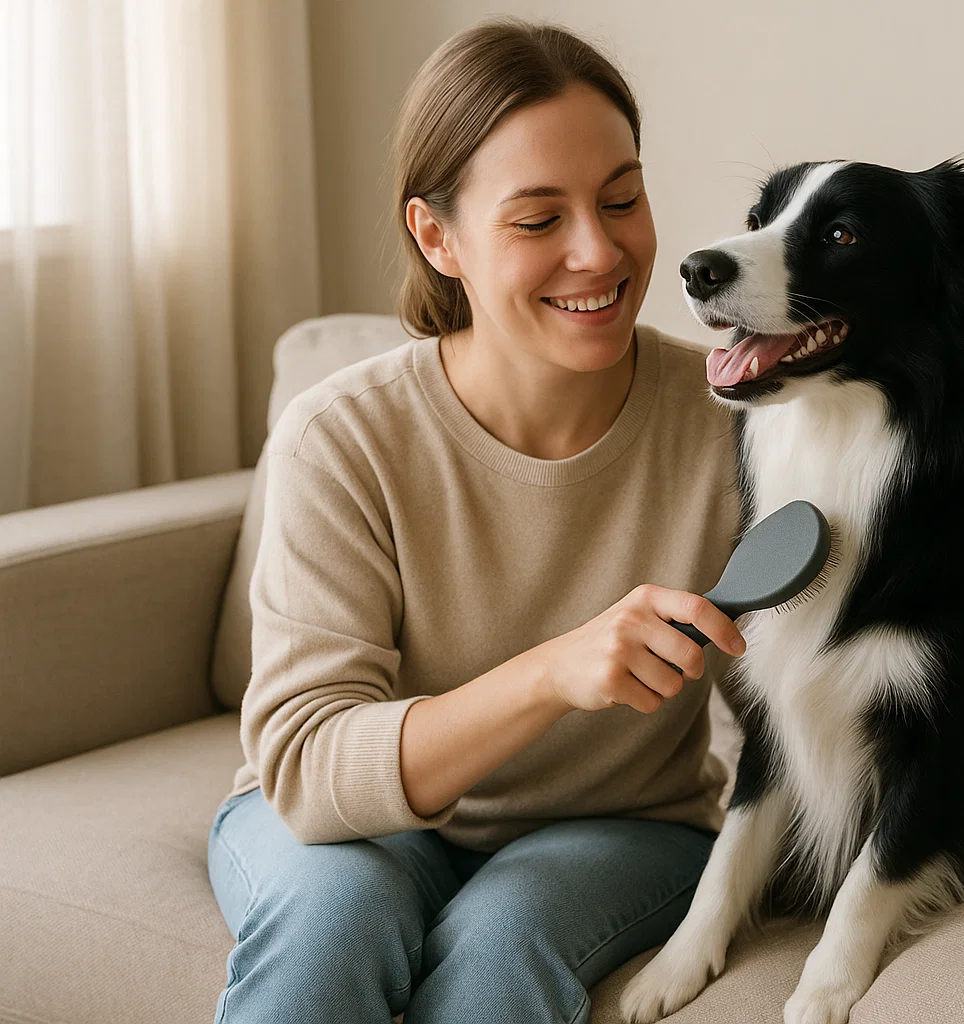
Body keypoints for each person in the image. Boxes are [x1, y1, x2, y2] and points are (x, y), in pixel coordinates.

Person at [205, 18, 745, 1023]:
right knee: (332, 924)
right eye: (538, 220)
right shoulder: (343, 438)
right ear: (436, 237)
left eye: (621, 199)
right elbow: (309, 770)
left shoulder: (734, 428)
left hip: (623, 825)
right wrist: (549, 674)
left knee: (498, 953)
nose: (599, 251)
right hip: (355, 823)